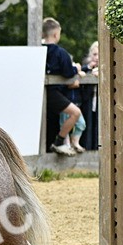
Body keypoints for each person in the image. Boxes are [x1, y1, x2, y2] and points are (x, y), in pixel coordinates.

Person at [41, 17, 81, 156]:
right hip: (53, 93)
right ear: (56, 34)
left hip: (40, 92)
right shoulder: (59, 52)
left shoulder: (38, 50)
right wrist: (76, 69)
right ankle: (59, 142)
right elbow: (68, 73)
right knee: (75, 113)